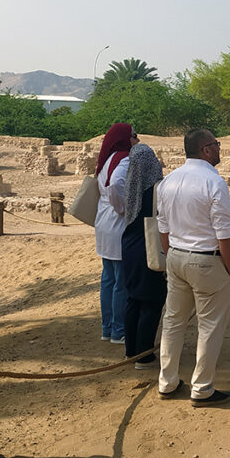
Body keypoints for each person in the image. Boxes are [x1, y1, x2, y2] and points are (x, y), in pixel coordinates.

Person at [156, 129, 230, 407]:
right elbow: (224, 232)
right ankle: (202, 388)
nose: (219, 149)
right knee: (210, 325)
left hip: (176, 255)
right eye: (216, 145)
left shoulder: (168, 181)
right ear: (205, 150)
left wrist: (171, 256)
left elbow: (163, 227)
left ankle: (167, 381)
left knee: (173, 321)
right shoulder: (214, 182)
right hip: (206, 258)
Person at [120, 142, 166, 369]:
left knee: (133, 300)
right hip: (148, 247)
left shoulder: (131, 187)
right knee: (152, 300)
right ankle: (145, 354)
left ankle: (131, 350)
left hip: (129, 245)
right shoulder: (156, 189)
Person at [95, 123, 136, 344]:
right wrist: (125, 209)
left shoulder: (107, 159)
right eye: (133, 136)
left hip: (103, 223)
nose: (135, 140)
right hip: (116, 223)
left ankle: (107, 327)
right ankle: (119, 330)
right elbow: (116, 185)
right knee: (121, 280)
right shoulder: (124, 158)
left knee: (108, 279)